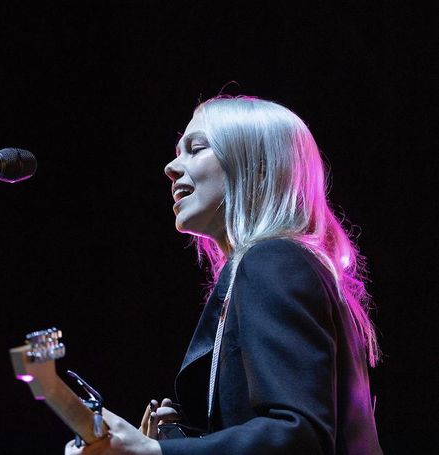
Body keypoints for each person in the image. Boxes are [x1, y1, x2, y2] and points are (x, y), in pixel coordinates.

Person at [65, 95, 383, 454]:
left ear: (259, 166)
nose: (171, 166)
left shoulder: (273, 260)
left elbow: (301, 436)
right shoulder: (273, 267)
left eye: (196, 148)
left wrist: (153, 452)